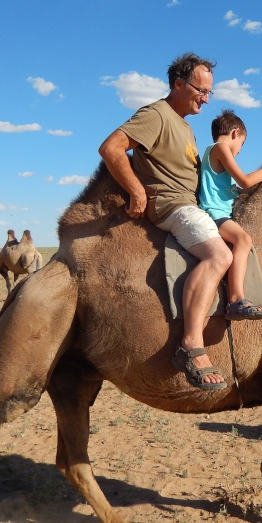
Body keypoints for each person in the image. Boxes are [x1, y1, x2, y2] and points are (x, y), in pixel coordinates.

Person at [98, 52, 232, 392]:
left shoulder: (184, 125)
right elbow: (112, 148)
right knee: (220, 256)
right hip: (174, 207)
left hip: (189, 204)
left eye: (209, 93)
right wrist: (137, 192)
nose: (205, 98)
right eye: (200, 90)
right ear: (177, 84)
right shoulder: (155, 114)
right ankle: (191, 344)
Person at [199, 109, 262, 320]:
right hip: (214, 213)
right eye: (242, 143)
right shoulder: (220, 148)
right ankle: (236, 300)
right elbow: (245, 181)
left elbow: (235, 188)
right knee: (243, 240)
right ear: (235, 133)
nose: (239, 151)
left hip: (219, 211)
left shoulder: (213, 152)